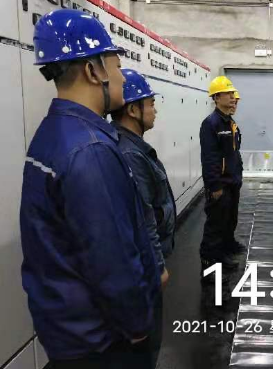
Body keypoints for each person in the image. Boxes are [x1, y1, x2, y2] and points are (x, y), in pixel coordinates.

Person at [20, 9, 160, 368]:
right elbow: (111, 255)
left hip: (70, 334)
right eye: (116, 66)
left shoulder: (54, 132)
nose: (121, 77)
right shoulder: (90, 149)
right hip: (102, 344)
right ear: (92, 70)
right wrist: (138, 326)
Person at [111, 69, 176, 367]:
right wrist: (157, 266)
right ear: (133, 110)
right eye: (150, 104)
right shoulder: (130, 154)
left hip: (146, 261)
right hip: (144, 266)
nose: (155, 110)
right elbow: (143, 216)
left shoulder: (133, 147)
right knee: (146, 346)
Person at [199, 76, 245, 278]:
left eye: (233, 94)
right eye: (228, 94)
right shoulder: (211, 124)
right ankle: (209, 267)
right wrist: (215, 185)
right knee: (215, 227)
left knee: (228, 222)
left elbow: (234, 153)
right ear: (216, 98)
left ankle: (223, 256)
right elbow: (209, 158)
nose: (233, 97)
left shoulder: (229, 122)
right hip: (220, 185)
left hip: (232, 182)